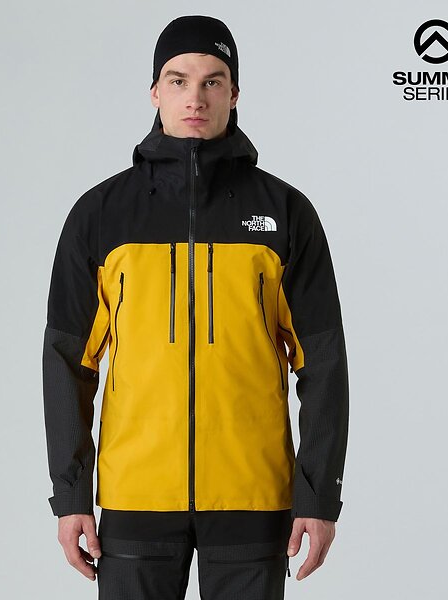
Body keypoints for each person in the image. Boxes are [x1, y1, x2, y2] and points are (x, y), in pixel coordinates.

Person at [42, 14, 349, 599]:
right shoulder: (101, 214)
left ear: (234, 93)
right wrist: (71, 493)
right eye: (178, 80)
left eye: (213, 81)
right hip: (136, 494)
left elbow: (324, 362)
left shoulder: (285, 212)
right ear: (154, 92)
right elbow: (67, 362)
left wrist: (318, 494)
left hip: (252, 494)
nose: (195, 98)